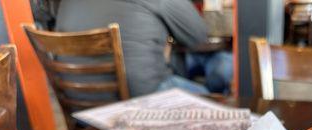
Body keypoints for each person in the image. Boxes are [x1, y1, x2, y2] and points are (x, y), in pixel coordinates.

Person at [56, 0, 209, 97]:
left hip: (79, 107)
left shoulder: (64, 3)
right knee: (212, 103)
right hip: (139, 106)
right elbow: (198, 36)